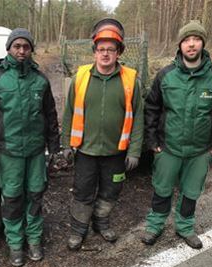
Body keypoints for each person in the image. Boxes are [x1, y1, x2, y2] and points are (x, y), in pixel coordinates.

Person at [141, 20, 212, 249]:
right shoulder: (166, 75)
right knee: (162, 189)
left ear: (202, 43)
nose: (191, 44)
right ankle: (155, 224)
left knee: (191, 192)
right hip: (169, 146)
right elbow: (151, 108)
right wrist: (152, 140)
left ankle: (184, 226)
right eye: (186, 40)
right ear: (180, 45)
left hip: (200, 150)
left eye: (196, 39)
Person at [0, 28, 60, 266]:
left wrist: (54, 147)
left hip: (35, 152)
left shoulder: (40, 80)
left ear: (31, 49)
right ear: (9, 49)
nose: (22, 50)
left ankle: (34, 240)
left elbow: (51, 115)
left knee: (35, 196)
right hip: (8, 153)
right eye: (17, 46)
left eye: (26, 46)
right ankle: (15, 244)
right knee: (12, 199)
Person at [62, 18, 144, 250]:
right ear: (95, 52)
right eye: (101, 49)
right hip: (86, 151)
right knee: (83, 192)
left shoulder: (130, 81)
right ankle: (79, 230)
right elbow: (68, 112)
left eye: (111, 49)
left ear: (118, 52)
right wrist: (66, 144)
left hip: (116, 153)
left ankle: (101, 222)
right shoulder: (81, 77)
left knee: (111, 191)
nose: (105, 54)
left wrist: (135, 150)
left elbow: (139, 117)